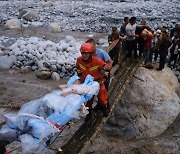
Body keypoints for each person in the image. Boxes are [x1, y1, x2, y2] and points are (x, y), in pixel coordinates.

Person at [76, 42, 111, 118]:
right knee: (88, 100)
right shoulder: (79, 60)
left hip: (98, 82)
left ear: (90, 53)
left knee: (102, 98)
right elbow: (78, 68)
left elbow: (107, 68)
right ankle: (89, 113)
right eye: (83, 53)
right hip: (87, 84)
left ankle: (104, 108)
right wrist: (80, 77)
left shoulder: (97, 61)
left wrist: (105, 78)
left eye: (86, 53)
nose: (84, 55)